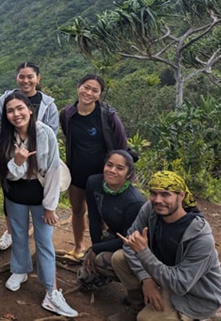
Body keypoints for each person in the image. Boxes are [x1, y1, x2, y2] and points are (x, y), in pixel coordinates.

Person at [0, 91, 78, 318]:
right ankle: (20, 270)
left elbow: (52, 170)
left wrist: (50, 206)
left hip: (40, 194)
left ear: (30, 110)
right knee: (19, 235)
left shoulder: (44, 132)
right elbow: (5, 175)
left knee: (44, 241)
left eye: (20, 108)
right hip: (15, 194)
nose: (16, 114)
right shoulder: (5, 136)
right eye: (10, 111)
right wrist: (18, 161)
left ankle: (51, 291)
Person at [109, 171, 221, 321]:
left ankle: (199, 318)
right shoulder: (150, 210)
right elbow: (130, 243)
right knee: (119, 258)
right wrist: (146, 279)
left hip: (195, 295)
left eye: (165, 194)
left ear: (181, 196)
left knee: (146, 319)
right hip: (164, 274)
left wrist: (143, 252)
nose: (158, 200)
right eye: (153, 193)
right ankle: (137, 308)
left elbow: (180, 285)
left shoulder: (200, 237)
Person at [60, 74, 128, 260]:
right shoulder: (67, 114)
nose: (88, 93)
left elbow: (122, 148)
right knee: (77, 210)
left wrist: (119, 175)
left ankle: (100, 252)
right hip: (76, 172)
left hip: (102, 175)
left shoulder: (108, 116)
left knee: (101, 214)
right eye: (86, 87)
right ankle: (79, 248)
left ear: (100, 94)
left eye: (94, 90)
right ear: (78, 87)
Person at [0, 62, 59, 251]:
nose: (26, 80)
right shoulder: (5, 100)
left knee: (42, 227)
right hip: (12, 154)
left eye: (30, 76)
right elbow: (0, 128)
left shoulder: (48, 105)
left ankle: (45, 265)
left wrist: (33, 151)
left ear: (38, 78)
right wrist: (11, 152)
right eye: (21, 76)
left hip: (40, 164)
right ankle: (10, 233)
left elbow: (50, 134)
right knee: (12, 202)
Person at [78, 150, 146, 291]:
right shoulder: (94, 183)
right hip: (116, 234)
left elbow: (128, 240)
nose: (112, 170)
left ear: (128, 174)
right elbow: (94, 218)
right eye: (109, 165)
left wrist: (96, 249)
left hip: (135, 246)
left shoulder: (134, 202)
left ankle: (138, 288)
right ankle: (101, 272)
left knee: (99, 261)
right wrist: (94, 247)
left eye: (120, 168)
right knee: (85, 274)